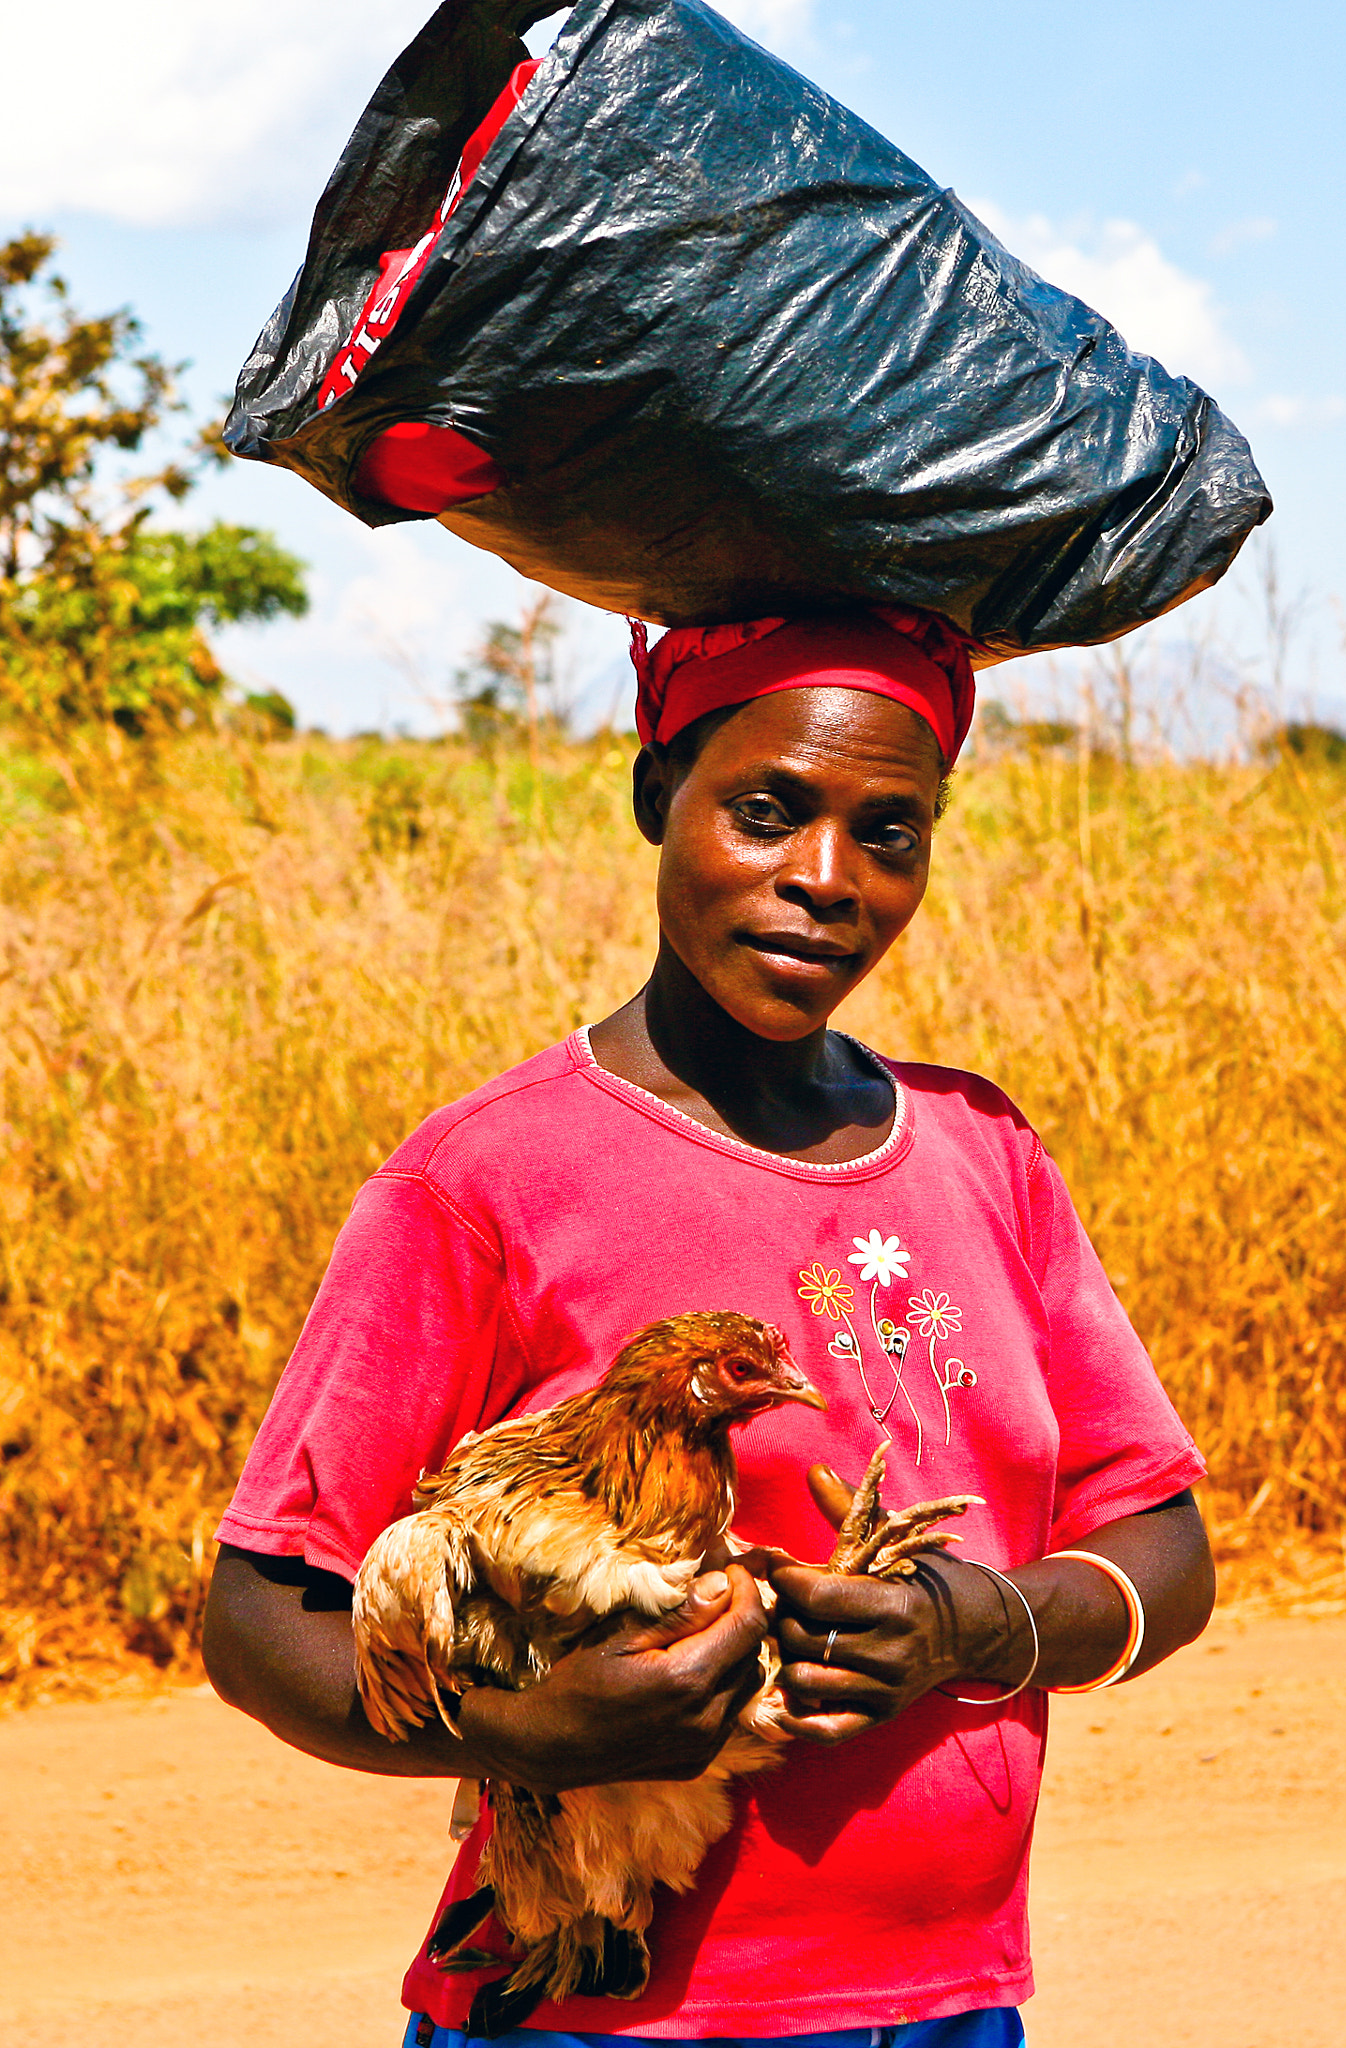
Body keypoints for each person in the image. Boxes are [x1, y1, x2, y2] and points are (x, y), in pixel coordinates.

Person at [203, 605, 1215, 2048]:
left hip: (949, 2000)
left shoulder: (983, 1151)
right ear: (650, 794)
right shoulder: (485, 1180)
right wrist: (534, 1732)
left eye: (890, 832)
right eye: (764, 810)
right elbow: (257, 1622)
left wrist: (969, 1625)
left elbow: (1162, 1553)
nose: (824, 879)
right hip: (602, 2008)